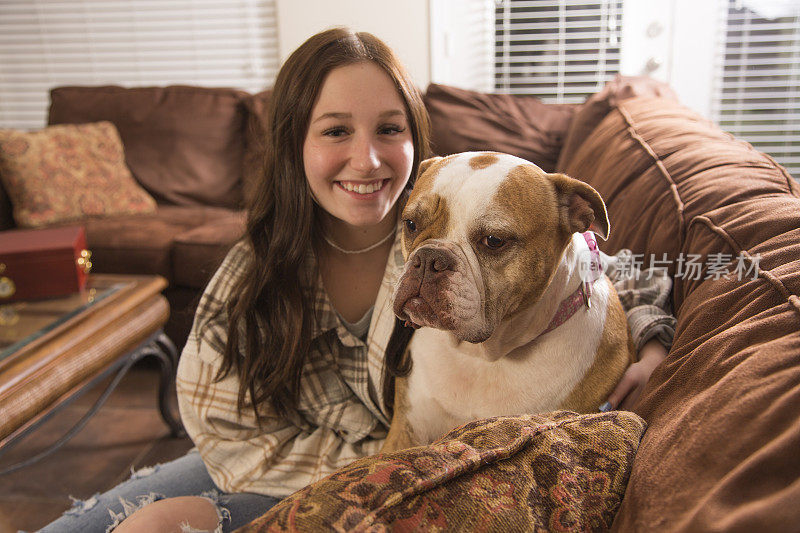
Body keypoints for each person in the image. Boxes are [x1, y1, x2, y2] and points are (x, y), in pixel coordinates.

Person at [41, 27, 675, 533]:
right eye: (336, 130)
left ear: (415, 142)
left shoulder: (433, 214)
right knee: (91, 524)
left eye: (389, 130)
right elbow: (225, 434)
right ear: (294, 144)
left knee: (152, 524)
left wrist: (651, 337)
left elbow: (597, 265)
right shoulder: (263, 267)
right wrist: (377, 468)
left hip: (385, 478)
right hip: (269, 458)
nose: (366, 159)